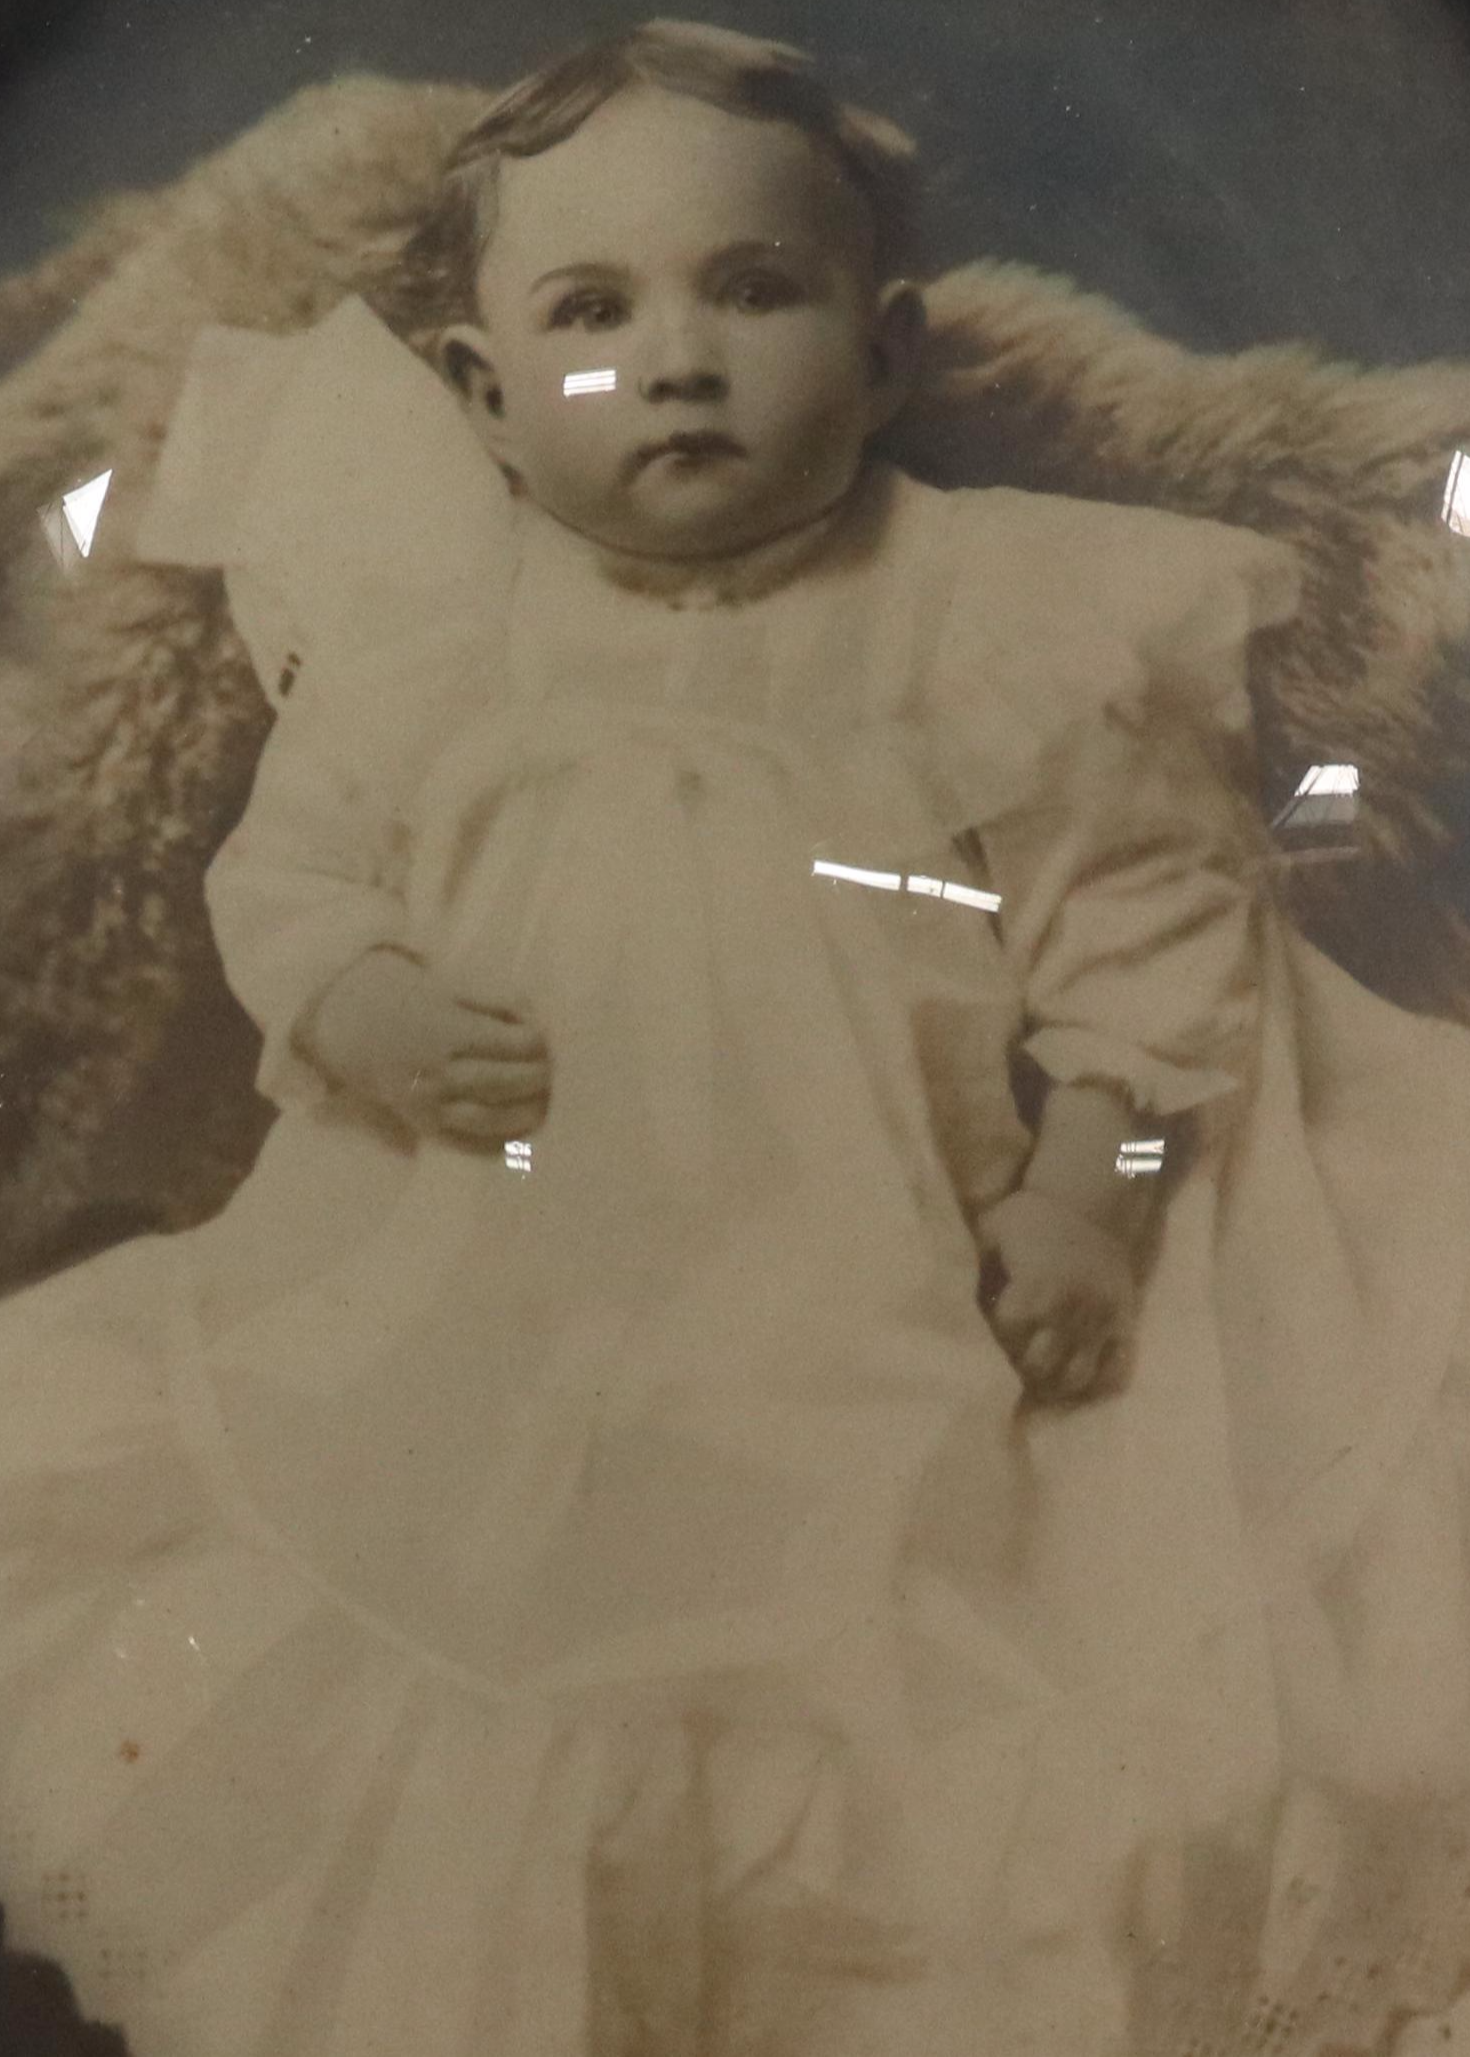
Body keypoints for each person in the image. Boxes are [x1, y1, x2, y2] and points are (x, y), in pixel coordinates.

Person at [3, 20, 1470, 2056]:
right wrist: (369, 1003)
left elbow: (1159, 975)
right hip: (496, 1265)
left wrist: (1088, 1197)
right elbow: (289, 882)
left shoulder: (993, 618)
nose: (677, 356)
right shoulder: (435, 633)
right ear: (482, 395)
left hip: (867, 1300)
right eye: (593, 310)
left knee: (900, 1645)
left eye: (754, 291)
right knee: (468, 1569)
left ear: (881, 358)